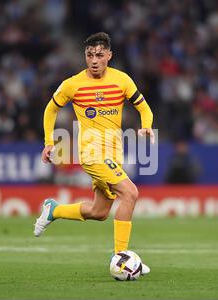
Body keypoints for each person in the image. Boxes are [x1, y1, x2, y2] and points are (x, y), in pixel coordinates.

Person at [34, 32, 154, 275]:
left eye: (99, 55)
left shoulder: (122, 80)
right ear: (85, 56)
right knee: (130, 193)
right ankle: (122, 258)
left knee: (99, 212)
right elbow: (50, 110)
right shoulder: (73, 84)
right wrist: (49, 142)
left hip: (114, 153)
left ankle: (54, 210)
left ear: (109, 55)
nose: (94, 60)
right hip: (91, 153)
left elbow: (144, 108)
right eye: (90, 55)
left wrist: (146, 126)